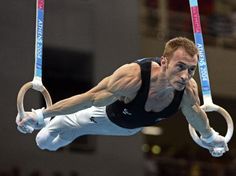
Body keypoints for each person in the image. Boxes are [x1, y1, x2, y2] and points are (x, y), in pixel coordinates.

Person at [16, 37, 228, 157]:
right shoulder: (133, 77)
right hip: (99, 116)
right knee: (44, 142)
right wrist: (43, 113)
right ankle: (58, 124)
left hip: (129, 130)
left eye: (191, 70)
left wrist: (210, 137)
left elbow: (195, 115)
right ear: (164, 62)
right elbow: (87, 99)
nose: (185, 76)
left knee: (59, 139)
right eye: (180, 67)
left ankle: (68, 133)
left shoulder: (188, 89)